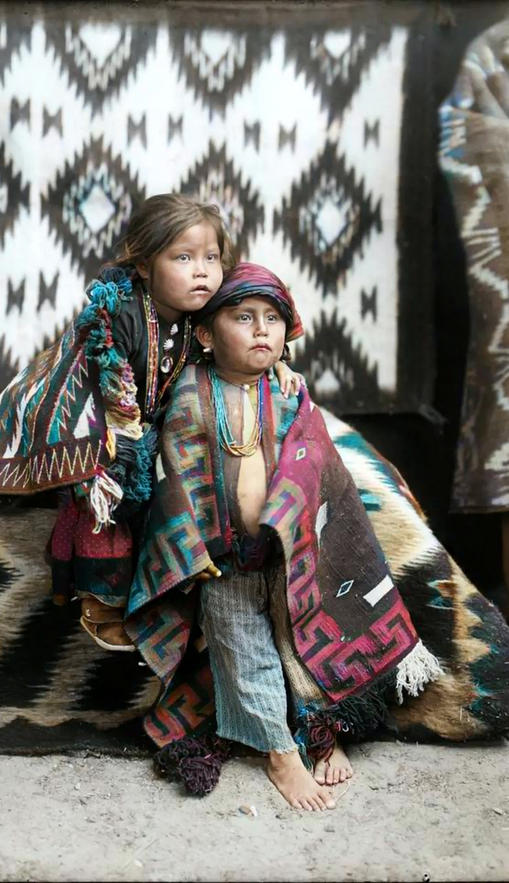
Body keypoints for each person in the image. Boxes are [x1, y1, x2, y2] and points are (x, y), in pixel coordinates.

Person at [124, 263, 448, 811]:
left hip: (291, 556)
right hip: (223, 561)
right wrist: (191, 550)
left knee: (303, 644)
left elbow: (319, 471)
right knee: (242, 651)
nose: (261, 330)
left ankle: (321, 734)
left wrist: (282, 375)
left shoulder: (288, 393)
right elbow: (174, 478)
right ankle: (279, 753)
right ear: (206, 335)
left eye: (272, 319)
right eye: (243, 317)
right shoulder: (189, 393)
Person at [0, 196, 304, 652]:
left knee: (191, 461)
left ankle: (184, 586)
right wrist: (120, 441)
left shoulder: (201, 312)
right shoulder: (118, 314)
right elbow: (93, 380)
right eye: (183, 258)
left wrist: (276, 362)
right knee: (112, 480)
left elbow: (244, 332)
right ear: (144, 265)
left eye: (211, 258)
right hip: (100, 412)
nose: (202, 272)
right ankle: (99, 594)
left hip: (149, 417)